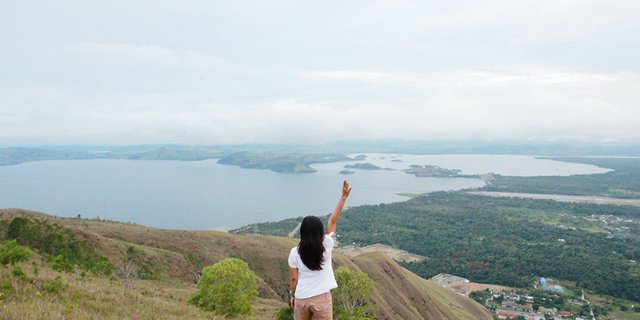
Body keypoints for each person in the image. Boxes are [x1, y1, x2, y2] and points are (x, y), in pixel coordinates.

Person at [288, 180, 351, 320]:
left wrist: (293, 295)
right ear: (319, 232)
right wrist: (343, 198)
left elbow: (293, 278)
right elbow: (333, 221)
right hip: (322, 298)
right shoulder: (327, 246)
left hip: (302, 298)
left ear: (302, 232)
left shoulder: (294, 252)